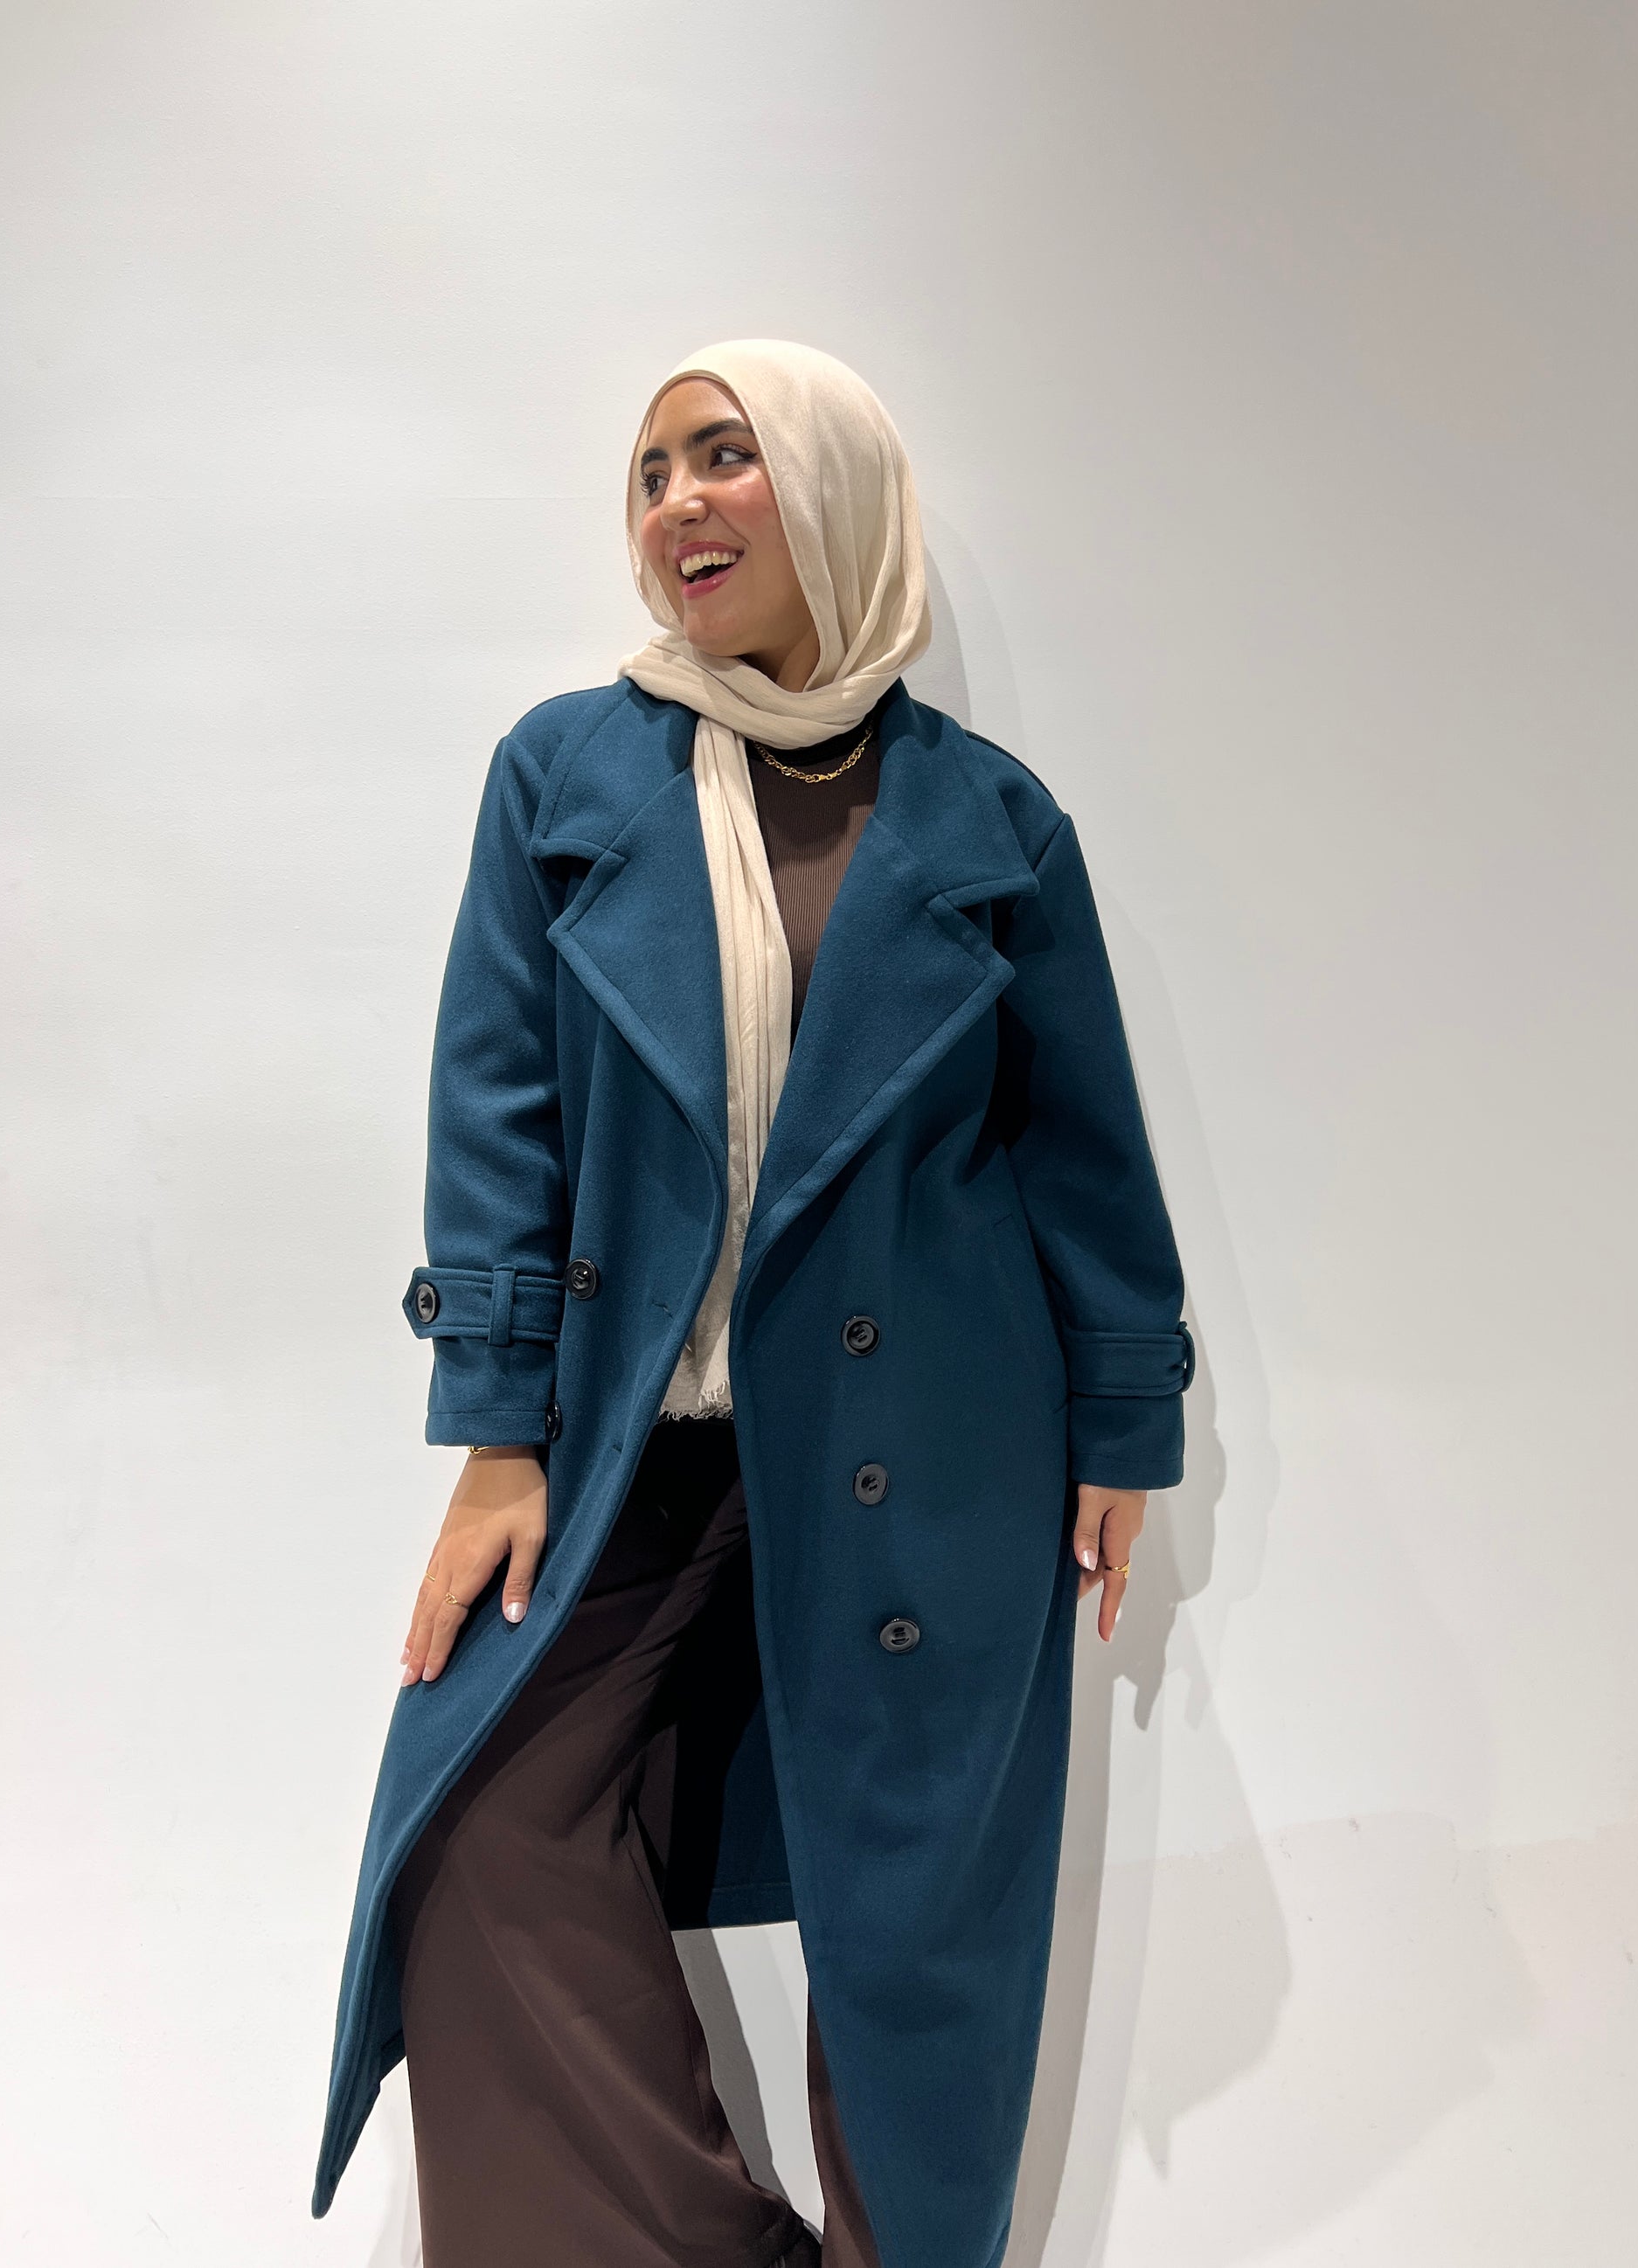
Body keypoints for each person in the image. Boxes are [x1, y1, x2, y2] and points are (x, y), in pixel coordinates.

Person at [312, 340, 1196, 2268]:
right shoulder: (566, 774)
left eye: (724, 456)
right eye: (648, 474)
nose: (676, 503)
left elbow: (1079, 1146)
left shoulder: (991, 823)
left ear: (835, 489)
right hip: (642, 1439)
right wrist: (495, 1435)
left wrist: (1124, 1417)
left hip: (935, 1446)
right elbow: (497, 1115)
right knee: (481, 1828)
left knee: (919, 1931)